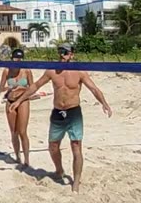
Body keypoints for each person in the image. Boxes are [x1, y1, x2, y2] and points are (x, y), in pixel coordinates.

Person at [8, 44, 112, 193]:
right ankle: (59, 170)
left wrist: (104, 103)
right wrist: (18, 101)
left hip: (73, 112)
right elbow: (35, 86)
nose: (62, 55)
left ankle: (76, 182)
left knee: (76, 146)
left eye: (65, 52)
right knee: (53, 146)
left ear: (71, 55)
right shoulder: (52, 70)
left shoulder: (79, 71)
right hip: (58, 112)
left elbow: (93, 88)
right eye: (60, 52)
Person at [0, 48, 35, 167]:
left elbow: (32, 87)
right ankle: (17, 156)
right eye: (16, 58)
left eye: (20, 58)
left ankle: (27, 159)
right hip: (10, 100)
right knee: (14, 132)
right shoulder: (6, 71)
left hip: (23, 100)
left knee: (22, 131)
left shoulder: (26, 70)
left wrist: (24, 93)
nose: (18, 60)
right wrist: (9, 89)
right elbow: (0, 88)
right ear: (12, 59)